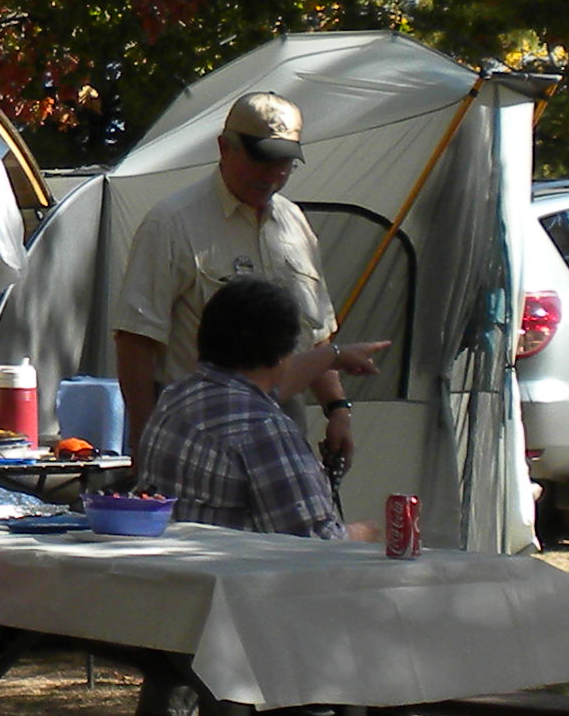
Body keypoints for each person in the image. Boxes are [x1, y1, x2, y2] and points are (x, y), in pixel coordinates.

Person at [128, 276, 423, 716]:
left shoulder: (175, 401)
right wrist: (369, 532)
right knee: (388, 665)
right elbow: (320, 547)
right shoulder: (263, 427)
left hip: (167, 613)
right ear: (284, 352)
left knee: (318, 658)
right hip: (238, 623)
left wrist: (332, 359)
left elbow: (275, 380)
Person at [109, 91, 391, 478]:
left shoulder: (294, 225)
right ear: (224, 148)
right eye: (261, 159)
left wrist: (337, 410)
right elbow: (135, 341)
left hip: (281, 433)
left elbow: (316, 335)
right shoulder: (172, 223)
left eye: (284, 162)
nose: (272, 174)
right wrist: (144, 447)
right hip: (201, 438)